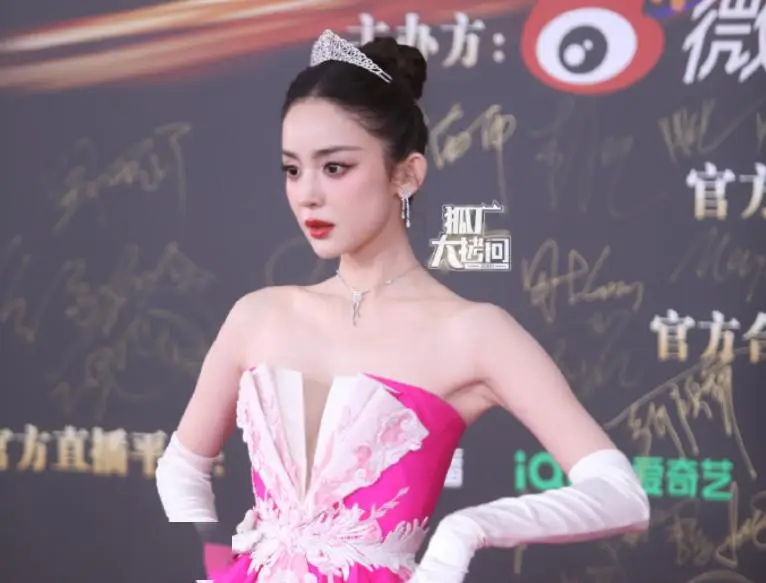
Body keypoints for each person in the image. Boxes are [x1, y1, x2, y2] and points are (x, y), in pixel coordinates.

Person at [155, 28, 650, 583]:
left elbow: (621, 495)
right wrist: (219, 559)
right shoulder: (259, 316)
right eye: (293, 169)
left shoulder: (473, 333)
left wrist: (464, 532)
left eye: (335, 167)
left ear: (406, 174)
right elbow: (182, 467)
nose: (307, 194)